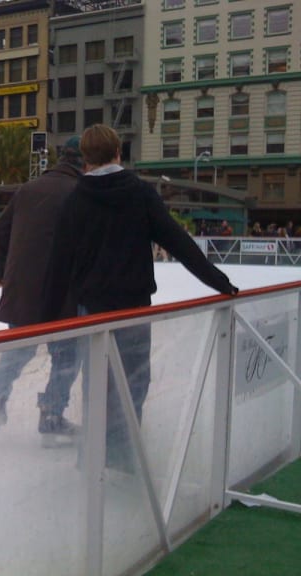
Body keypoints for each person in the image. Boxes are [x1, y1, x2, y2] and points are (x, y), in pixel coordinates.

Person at [42, 124, 239, 471]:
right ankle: (121, 457)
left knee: (96, 386)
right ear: (119, 153)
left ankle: (93, 460)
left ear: (85, 159)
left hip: (92, 312)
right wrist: (218, 281)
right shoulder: (139, 193)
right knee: (133, 384)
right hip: (132, 308)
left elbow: (58, 264)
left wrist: (46, 321)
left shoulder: (75, 200)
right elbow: (177, 240)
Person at [0, 136, 84, 433]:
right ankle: (51, 414)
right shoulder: (81, 191)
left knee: (19, 348)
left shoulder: (29, 188)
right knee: (67, 355)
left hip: (23, 288)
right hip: (62, 291)